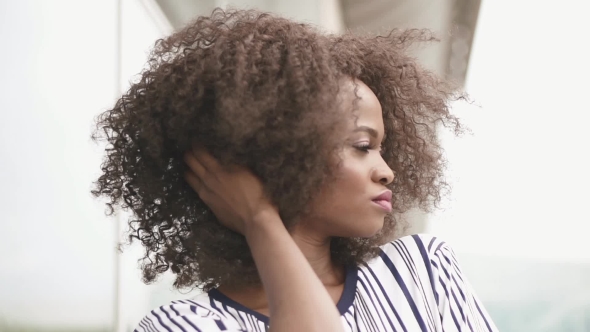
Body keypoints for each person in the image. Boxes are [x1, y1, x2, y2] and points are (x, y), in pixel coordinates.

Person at [92, 8, 498, 332]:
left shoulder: (421, 271)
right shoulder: (184, 326)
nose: (387, 171)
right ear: (279, 157)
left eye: (382, 148)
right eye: (362, 146)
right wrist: (259, 218)